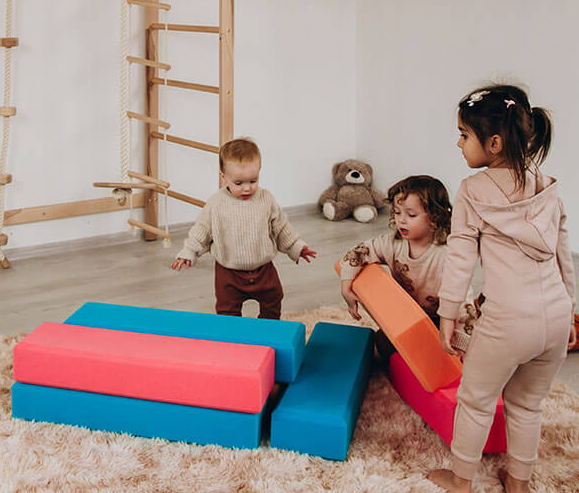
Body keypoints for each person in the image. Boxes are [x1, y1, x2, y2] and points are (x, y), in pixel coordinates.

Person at [427, 84, 577, 493]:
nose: (458, 144)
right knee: (528, 404)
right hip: (555, 316)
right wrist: (572, 309)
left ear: (493, 143)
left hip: (508, 322)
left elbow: (460, 258)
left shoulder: (473, 191)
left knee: (475, 400)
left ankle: (461, 480)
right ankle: (520, 482)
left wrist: (448, 314)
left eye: (463, 135)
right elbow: (563, 252)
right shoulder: (548, 184)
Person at [172, 137, 316, 319]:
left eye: (253, 181)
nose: (247, 188)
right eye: (239, 183)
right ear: (223, 177)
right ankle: (234, 339)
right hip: (228, 272)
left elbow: (281, 228)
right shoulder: (216, 203)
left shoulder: (266, 199)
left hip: (263, 269)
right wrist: (189, 252)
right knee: (227, 311)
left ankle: (268, 332)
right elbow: (202, 231)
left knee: (273, 300)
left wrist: (296, 247)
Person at [340, 175, 476, 360]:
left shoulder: (446, 256)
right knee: (382, 345)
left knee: (457, 351)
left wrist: (461, 345)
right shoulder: (393, 243)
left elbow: (462, 304)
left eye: (411, 215)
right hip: (408, 317)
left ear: (435, 218)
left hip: (442, 320)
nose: (401, 220)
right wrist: (346, 284)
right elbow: (358, 252)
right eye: (397, 213)